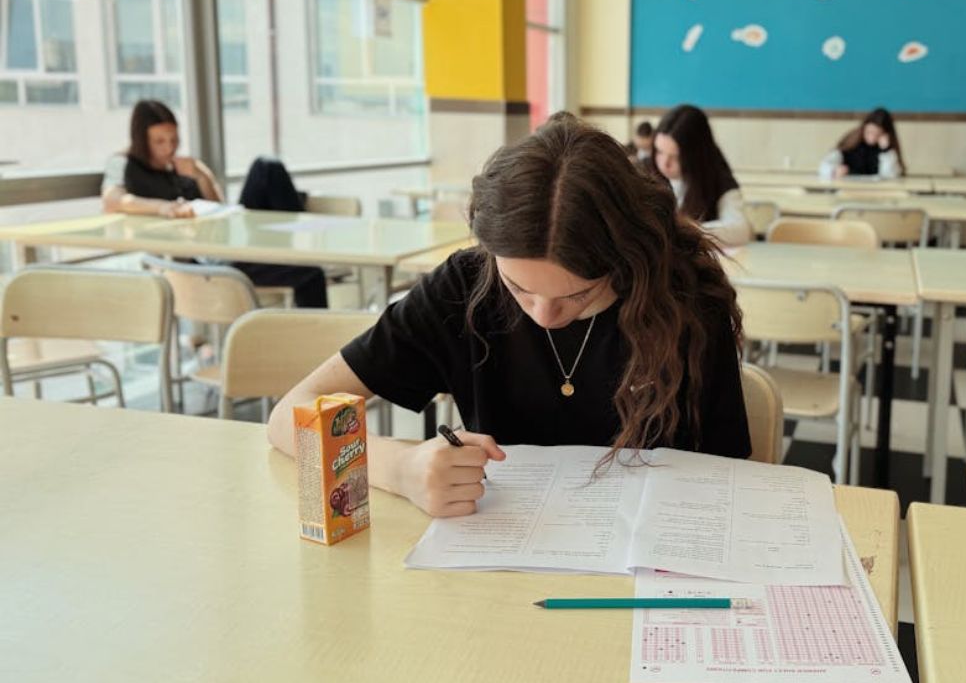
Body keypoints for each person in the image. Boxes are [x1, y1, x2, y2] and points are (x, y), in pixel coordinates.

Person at [265, 113, 751, 517]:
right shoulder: (464, 285)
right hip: (495, 559)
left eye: (578, 295)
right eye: (519, 287)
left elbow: (735, 479)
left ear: (627, 261)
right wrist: (400, 466)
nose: (544, 316)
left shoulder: (685, 297)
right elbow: (290, 415)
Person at [101, 100, 328, 307]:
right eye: (159, 141)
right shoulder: (124, 164)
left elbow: (217, 206)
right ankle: (301, 249)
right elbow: (112, 200)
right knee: (311, 274)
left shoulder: (179, 166)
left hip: (227, 242)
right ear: (142, 140)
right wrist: (165, 207)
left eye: (174, 139)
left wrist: (201, 175)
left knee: (267, 166)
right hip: (204, 263)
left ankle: (298, 243)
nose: (169, 148)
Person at [651, 104, 752, 246]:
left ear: (695, 156)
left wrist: (684, 229)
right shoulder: (646, 172)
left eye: (675, 156)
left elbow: (740, 230)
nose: (664, 163)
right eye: (659, 151)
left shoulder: (719, 181)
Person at [818, 108, 905, 179]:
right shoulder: (851, 142)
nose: (872, 137)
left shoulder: (887, 150)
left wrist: (886, 150)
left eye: (878, 134)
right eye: (869, 132)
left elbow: (890, 176)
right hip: (848, 191)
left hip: (876, 194)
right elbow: (824, 166)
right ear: (864, 129)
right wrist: (834, 170)